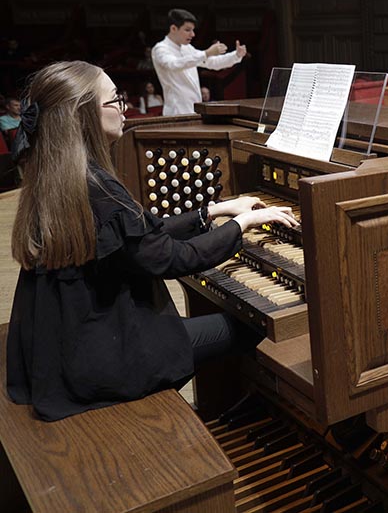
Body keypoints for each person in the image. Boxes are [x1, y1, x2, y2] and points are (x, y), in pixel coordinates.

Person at [6, 61, 299, 421]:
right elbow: (174, 259)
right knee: (254, 323)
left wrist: (211, 212)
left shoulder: (60, 176)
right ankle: (276, 421)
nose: (123, 109)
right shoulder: (99, 190)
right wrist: (243, 223)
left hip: (76, 344)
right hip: (107, 360)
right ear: (83, 116)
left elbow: (141, 234)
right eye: (115, 100)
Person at [152, 9, 246, 116]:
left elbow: (212, 63)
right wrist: (206, 53)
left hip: (194, 108)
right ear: (173, 28)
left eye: (193, 30)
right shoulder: (160, 49)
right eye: (187, 30)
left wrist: (235, 55)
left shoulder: (187, 48)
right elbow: (174, 64)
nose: (192, 34)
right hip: (176, 110)